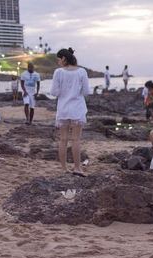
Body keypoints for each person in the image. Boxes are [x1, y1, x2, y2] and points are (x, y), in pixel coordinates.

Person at [50, 48, 90, 176]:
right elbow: (86, 92)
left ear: (64, 58)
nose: (58, 62)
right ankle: (77, 167)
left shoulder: (58, 72)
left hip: (63, 108)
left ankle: (63, 168)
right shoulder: (81, 71)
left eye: (59, 60)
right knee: (76, 139)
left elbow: (54, 92)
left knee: (63, 139)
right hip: (77, 108)